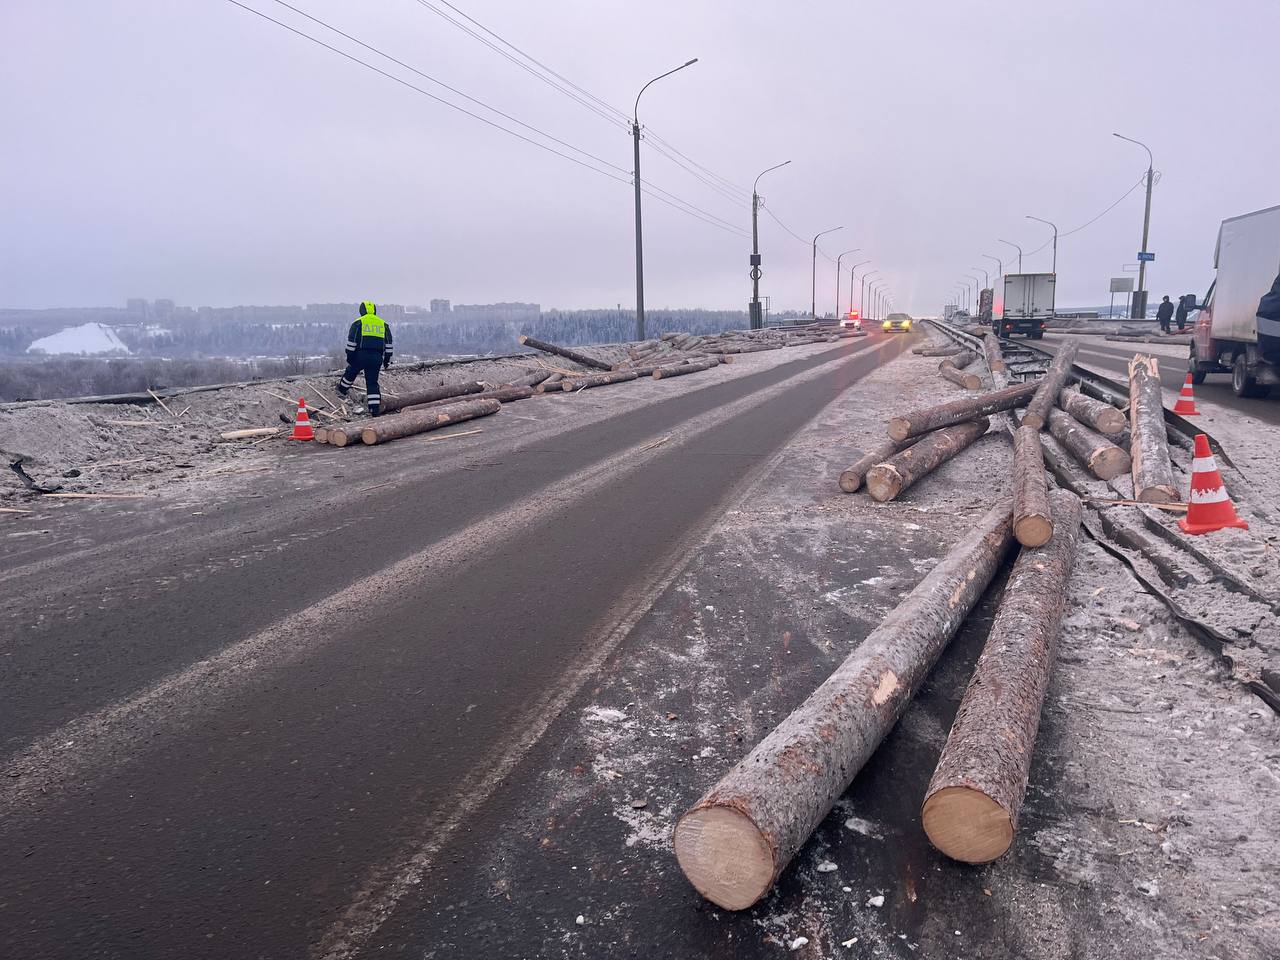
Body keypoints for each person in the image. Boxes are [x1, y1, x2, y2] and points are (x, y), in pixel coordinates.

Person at [337, 301, 393, 415]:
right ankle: (374, 409)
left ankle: (341, 389)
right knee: (372, 383)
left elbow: (351, 343)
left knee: (351, 372)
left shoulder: (358, 323)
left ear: (361, 310)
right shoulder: (383, 324)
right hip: (377, 357)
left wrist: (350, 357)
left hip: (361, 355)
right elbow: (389, 345)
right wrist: (386, 360)